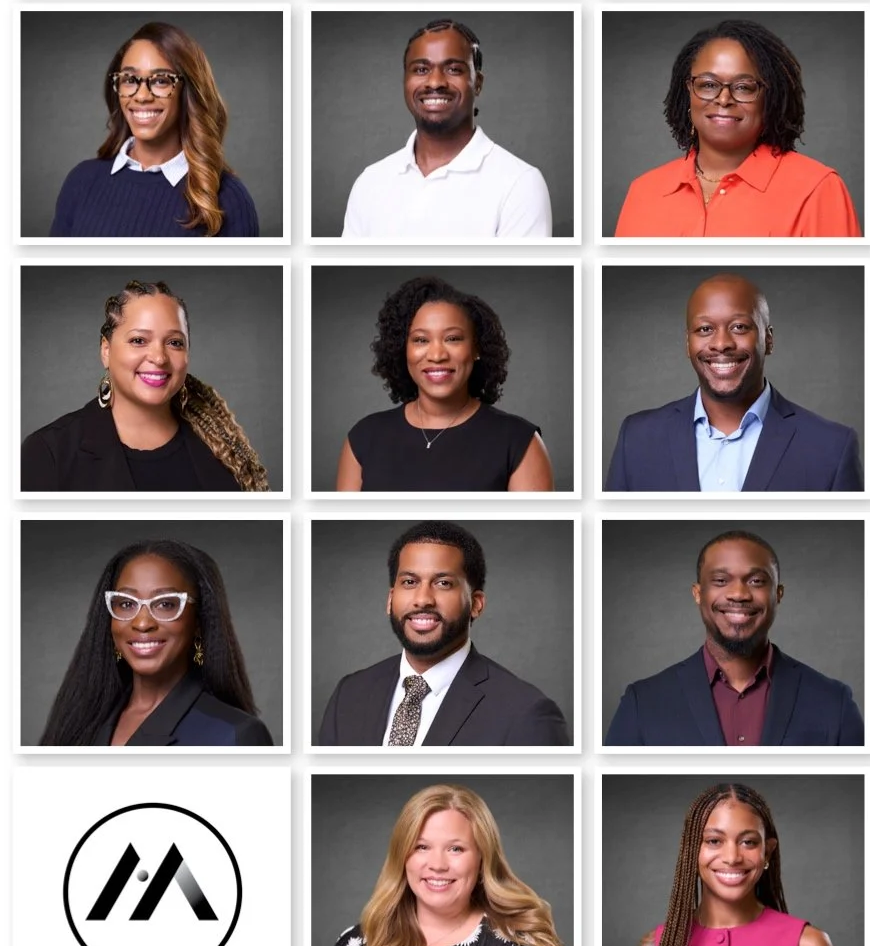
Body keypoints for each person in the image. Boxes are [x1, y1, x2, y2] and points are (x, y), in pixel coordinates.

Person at [314, 521, 570, 745]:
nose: (423, 599)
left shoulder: (527, 715)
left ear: (477, 604)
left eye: (443, 583)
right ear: (391, 599)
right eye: (409, 582)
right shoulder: (349, 694)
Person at [604, 271, 863, 491]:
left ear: (768, 339)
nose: (721, 344)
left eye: (739, 327)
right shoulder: (636, 438)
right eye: (705, 329)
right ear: (687, 343)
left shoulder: (832, 448)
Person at [313, 783, 573, 946]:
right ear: (402, 857)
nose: (437, 865)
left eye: (456, 849)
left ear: (483, 858)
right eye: (421, 847)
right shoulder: (355, 943)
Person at [604, 529, 863, 744]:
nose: (738, 594)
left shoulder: (833, 702)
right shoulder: (643, 703)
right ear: (697, 593)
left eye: (756, 581)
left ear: (778, 594)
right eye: (720, 580)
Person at [612, 19, 859, 237]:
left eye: (743, 87)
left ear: (769, 98)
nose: (723, 99)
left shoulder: (818, 188)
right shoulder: (644, 191)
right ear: (687, 91)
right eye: (708, 84)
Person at [21, 276, 269, 492]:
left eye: (174, 343)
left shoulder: (223, 447)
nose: (159, 358)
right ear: (106, 351)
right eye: (139, 340)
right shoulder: (48, 452)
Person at [38, 535, 272, 744]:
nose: (142, 623)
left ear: (199, 621)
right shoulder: (80, 720)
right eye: (127, 604)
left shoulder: (236, 735)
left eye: (165, 604)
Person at [341, 19, 554, 240]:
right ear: (405, 81)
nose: (435, 82)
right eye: (421, 69)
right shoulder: (370, 181)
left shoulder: (520, 184)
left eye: (453, 69)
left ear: (477, 82)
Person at [335, 275, 553, 492]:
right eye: (421, 340)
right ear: (402, 349)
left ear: (476, 348)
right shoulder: (364, 437)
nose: (437, 355)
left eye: (453, 338)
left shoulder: (519, 442)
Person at [51, 19, 260, 236]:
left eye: (161, 81)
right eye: (130, 79)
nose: (142, 96)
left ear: (187, 93)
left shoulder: (228, 199)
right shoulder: (81, 181)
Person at [629, 782, 837, 946]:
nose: (732, 857)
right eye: (714, 841)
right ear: (692, 851)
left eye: (748, 842)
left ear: (767, 852)